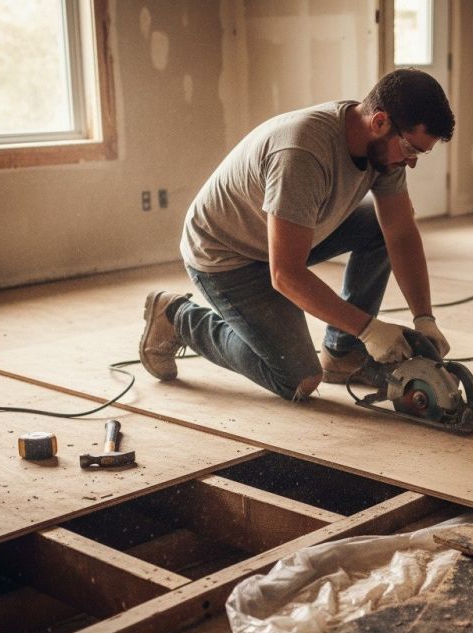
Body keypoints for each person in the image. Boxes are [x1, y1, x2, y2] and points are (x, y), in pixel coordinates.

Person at [139, 68, 454, 402]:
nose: (412, 162)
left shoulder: (384, 152)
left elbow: (401, 234)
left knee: (378, 227)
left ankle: (342, 354)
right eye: (411, 149)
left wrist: (424, 318)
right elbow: (285, 274)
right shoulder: (303, 153)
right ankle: (177, 318)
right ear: (379, 122)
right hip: (226, 254)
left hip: (283, 235)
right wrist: (369, 329)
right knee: (296, 377)